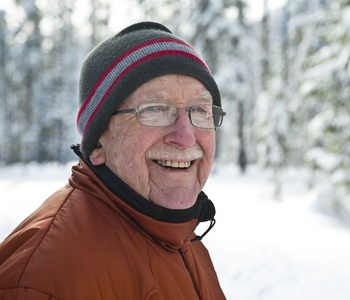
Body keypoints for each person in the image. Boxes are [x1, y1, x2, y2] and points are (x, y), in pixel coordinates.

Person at [0, 21, 227, 299]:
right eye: (155, 109)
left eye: (200, 110)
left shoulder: (182, 237)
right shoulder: (46, 276)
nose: (185, 137)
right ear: (97, 144)